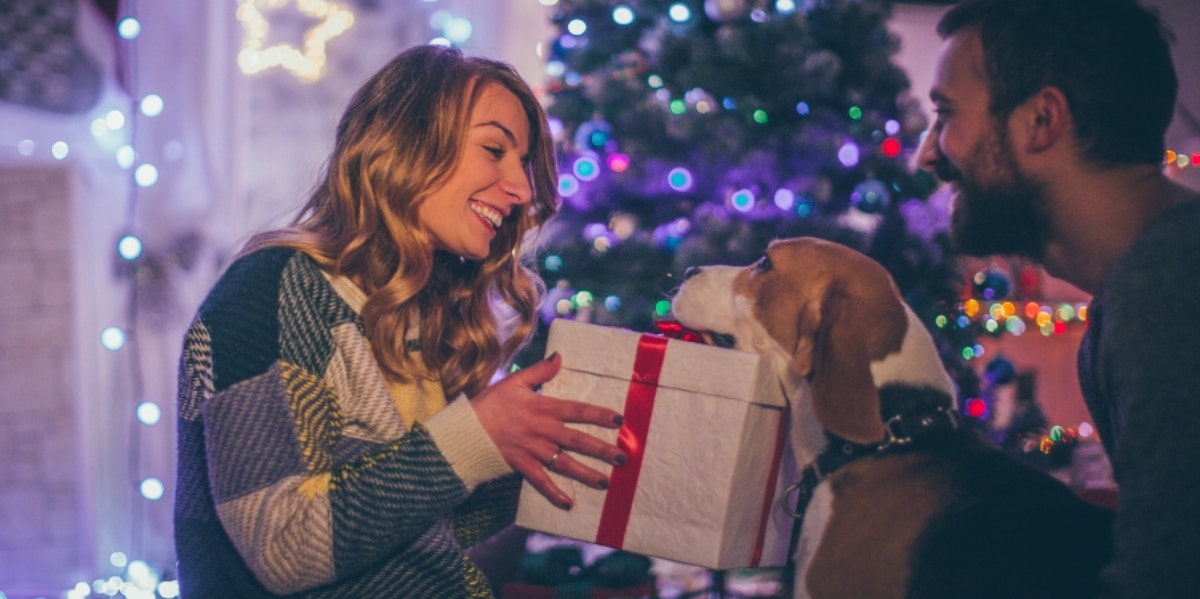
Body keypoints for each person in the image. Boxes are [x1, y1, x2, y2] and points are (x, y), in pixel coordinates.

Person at [173, 44, 627, 598]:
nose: (523, 189)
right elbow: (284, 546)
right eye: (493, 149)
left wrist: (526, 449)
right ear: (406, 145)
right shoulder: (272, 289)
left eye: (524, 163)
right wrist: (476, 435)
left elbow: (409, 528)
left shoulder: (406, 308)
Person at [916, 0, 1200, 596]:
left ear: (1041, 119)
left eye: (945, 114)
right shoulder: (1142, 283)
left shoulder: (1170, 282)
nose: (928, 153)